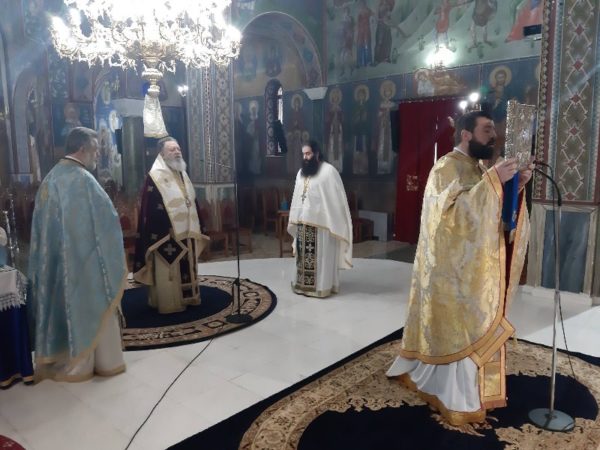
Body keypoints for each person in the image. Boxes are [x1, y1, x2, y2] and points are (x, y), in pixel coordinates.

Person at [386, 111, 533, 426]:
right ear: (466, 134)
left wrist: (515, 188)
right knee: (463, 328)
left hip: (477, 269)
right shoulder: (445, 168)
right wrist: (493, 181)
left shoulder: (478, 168)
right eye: (486, 130)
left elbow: (490, 212)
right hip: (451, 274)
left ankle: (480, 389)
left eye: (493, 130)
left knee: (482, 319)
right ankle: (453, 391)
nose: (493, 136)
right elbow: (448, 219)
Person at [28, 127, 127, 382]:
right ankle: (97, 361)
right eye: (95, 150)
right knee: (91, 305)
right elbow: (107, 220)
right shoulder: (83, 179)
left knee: (63, 305)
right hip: (84, 264)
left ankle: (65, 358)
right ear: (82, 149)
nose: (97, 155)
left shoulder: (51, 178)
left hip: (57, 264)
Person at [133, 137, 209, 314]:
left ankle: (190, 298)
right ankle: (170, 304)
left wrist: (197, 224)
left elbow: (191, 201)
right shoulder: (155, 177)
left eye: (178, 149)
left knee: (188, 266)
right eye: (172, 149)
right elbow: (151, 207)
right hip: (166, 233)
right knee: (170, 268)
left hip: (187, 230)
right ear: (162, 154)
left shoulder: (182, 173)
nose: (177, 152)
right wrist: (164, 229)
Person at [287, 140, 353, 298]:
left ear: (316, 153)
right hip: (303, 222)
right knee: (303, 256)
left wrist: (332, 217)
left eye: (308, 153)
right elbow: (296, 197)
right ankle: (302, 285)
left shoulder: (329, 171)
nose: (305, 157)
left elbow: (336, 199)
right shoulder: (301, 173)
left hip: (322, 225)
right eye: (303, 154)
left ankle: (321, 287)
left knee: (321, 257)